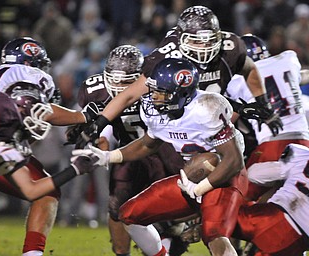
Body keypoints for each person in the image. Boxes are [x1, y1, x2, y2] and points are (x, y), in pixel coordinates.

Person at [74, 58, 248, 256]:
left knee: (214, 234)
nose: (153, 96)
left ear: (181, 92)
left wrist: (201, 187)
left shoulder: (207, 108)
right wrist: (108, 156)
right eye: (153, 90)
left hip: (224, 178)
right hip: (188, 179)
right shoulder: (157, 111)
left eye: (160, 92)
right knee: (129, 215)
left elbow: (234, 161)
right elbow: (147, 144)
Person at [89, 5, 282, 142]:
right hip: (176, 124)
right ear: (181, 39)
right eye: (196, 41)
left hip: (213, 121)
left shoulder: (230, 47)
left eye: (209, 40)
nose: (204, 47)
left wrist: (262, 101)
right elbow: (130, 94)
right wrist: (99, 124)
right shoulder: (167, 56)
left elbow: (250, 69)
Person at [70, 45, 185, 255]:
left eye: (127, 82)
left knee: (167, 214)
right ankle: (122, 252)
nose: (120, 87)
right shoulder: (95, 90)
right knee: (116, 208)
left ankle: (173, 237)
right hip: (128, 153)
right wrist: (98, 137)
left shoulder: (158, 86)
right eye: (115, 80)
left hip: (164, 150)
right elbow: (97, 121)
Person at [0, 37, 97, 256]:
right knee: (45, 194)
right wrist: (82, 116)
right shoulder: (29, 76)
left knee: (43, 191)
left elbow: (30, 188)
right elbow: (38, 108)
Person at [226, 34, 309, 201]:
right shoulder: (288, 59)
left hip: (272, 145)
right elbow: (298, 77)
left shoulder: (237, 81)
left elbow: (227, 121)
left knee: (237, 198)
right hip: (304, 143)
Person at [232, 143, 309, 255]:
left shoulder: (302, 155)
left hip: (271, 216)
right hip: (299, 241)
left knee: (219, 220)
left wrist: (281, 179)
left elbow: (254, 174)